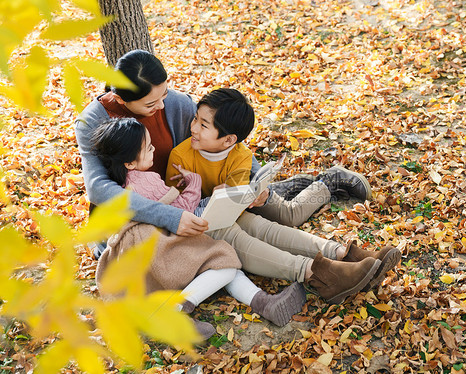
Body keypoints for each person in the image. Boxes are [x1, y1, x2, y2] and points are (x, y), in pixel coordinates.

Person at [74, 49, 372, 259]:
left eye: (164, 95)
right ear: (120, 99)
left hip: (195, 194)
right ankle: (305, 189)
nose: (163, 107)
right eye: (151, 105)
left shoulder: (176, 104)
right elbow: (99, 189)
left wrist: (256, 180)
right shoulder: (93, 120)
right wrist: (170, 216)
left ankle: (323, 183)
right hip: (146, 211)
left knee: (277, 212)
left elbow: (230, 144)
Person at [166, 88, 401, 304]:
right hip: (196, 224)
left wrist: (237, 196)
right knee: (241, 233)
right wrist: (197, 189)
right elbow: (175, 207)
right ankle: (319, 274)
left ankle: (342, 254)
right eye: (196, 118)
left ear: (228, 139)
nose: (193, 127)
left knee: (262, 225)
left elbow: (235, 205)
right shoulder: (181, 156)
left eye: (203, 125)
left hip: (230, 213)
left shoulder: (240, 155)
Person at [91, 117, 307, 339]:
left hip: (149, 251)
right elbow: (181, 210)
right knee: (224, 263)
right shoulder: (146, 181)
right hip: (160, 250)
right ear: (129, 163)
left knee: (223, 262)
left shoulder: (126, 184)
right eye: (148, 148)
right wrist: (193, 182)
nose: (154, 149)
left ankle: (264, 302)